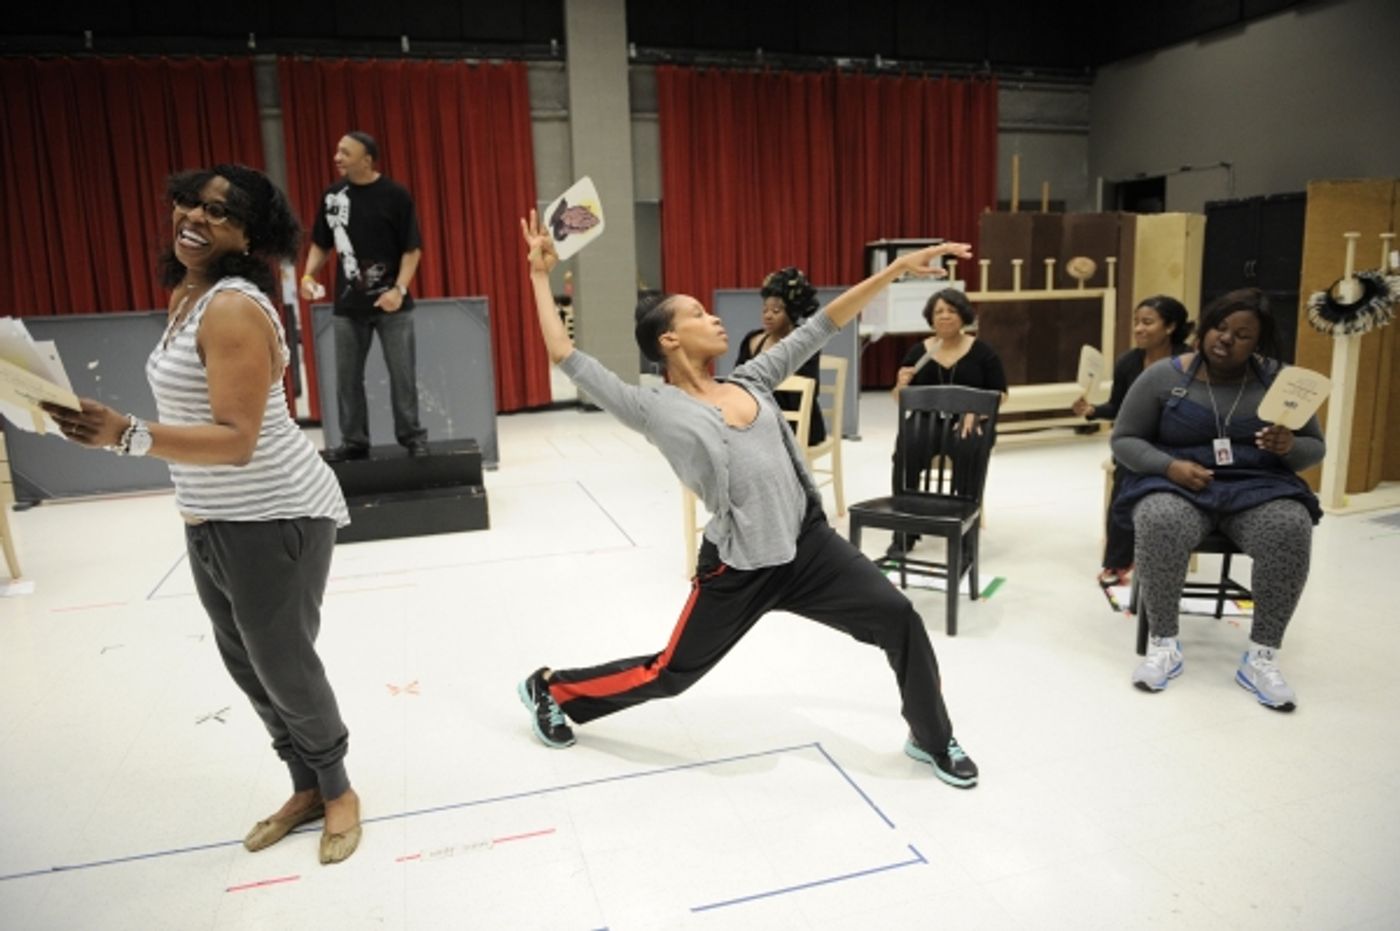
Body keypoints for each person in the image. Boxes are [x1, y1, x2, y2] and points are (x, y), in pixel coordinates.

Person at [514, 210, 982, 788]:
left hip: (808, 549)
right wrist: (539, 275)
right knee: (671, 674)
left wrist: (899, 272)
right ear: (668, 338)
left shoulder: (751, 378)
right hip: (741, 567)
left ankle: (932, 737)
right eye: (696, 314)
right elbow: (566, 355)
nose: (714, 317)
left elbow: (825, 322)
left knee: (899, 618)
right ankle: (551, 687)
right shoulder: (651, 407)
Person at [43, 164, 362, 864]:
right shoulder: (190, 293)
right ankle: (303, 783)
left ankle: (338, 789)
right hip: (209, 513)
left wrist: (128, 434)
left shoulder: (233, 307)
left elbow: (239, 440)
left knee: (283, 662)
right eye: (189, 202)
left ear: (248, 234)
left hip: (275, 511)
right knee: (247, 664)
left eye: (219, 212)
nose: (195, 217)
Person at [1111, 288, 1324, 711]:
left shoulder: (1285, 383)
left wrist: (1287, 447)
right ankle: (1164, 644)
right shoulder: (1163, 377)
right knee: (1160, 520)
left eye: (1242, 335)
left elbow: (1313, 448)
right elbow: (1124, 439)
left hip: (1258, 486)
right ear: (1205, 327)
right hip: (1179, 483)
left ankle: (1262, 656)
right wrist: (1168, 467)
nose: (1225, 339)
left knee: (1289, 526)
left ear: (1259, 343)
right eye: (1220, 327)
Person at [300, 131, 428, 461]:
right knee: (347, 379)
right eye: (337, 150)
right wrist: (308, 274)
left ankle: (412, 437)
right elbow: (321, 243)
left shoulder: (395, 196)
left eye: (345, 152)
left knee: (402, 375)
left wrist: (398, 290)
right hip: (348, 306)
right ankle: (354, 441)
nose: (337, 157)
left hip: (393, 305)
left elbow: (412, 250)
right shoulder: (332, 196)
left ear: (366, 159)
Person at [1073, 295, 1193, 587]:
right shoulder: (1129, 362)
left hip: (1181, 444)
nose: (1138, 328)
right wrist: (1092, 411)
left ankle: (1165, 557)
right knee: (1125, 484)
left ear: (1170, 326)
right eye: (1137, 322)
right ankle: (1118, 561)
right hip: (1137, 444)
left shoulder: (1190, 361)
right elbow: (1118, 407)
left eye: (1147, 322)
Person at [887, 288, 1008, 557]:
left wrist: (976, 411)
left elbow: (1001, 394)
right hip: (927, 421)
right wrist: (900, 385)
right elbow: (899, 399)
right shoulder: (919, 352)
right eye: (938, 312)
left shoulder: (982, 352)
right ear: (931, 319)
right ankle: (905, 529)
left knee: (969, 448)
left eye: (951, 311)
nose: (944, 316)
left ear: (963, 316)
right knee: (906, 451)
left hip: (969, 421)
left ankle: (964, 532)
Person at [734, 266, 826, 446]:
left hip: (798, 424)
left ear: (791, 313)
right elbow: (738, 383)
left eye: (776, 311)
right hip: (759, 422)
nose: (768, 316)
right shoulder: (752, 340)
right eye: (765, 310)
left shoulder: (805, 341)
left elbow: (805, 391)